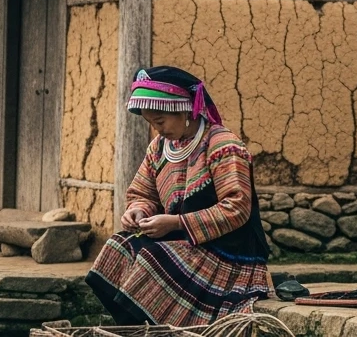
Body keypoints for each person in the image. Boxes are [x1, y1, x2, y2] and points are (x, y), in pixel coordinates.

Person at [86, 66, 271, 326]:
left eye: (160, 121)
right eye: (151, 123)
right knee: (120, 246)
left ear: (183, 109)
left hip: (228, 253)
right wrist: (138, 210)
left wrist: (176, 223)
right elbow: (143, 192)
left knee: (154, 260)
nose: (157, 129)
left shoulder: (223, 145)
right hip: (182, 243)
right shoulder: (159, 148)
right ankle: (137, 329)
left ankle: (162, 329)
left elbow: (237, 207)